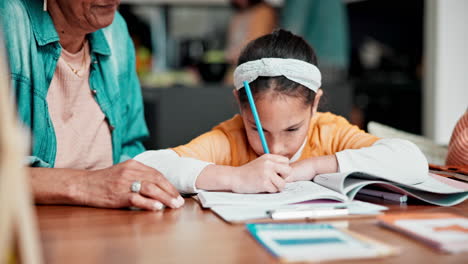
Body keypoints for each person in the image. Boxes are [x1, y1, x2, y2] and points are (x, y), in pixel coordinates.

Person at [135, 29, 428, 194]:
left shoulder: (329, 132)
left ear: (315, 105)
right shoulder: (230, 138)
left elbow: (412, 161)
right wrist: (234, 178)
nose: (275, 149)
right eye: (257, 129)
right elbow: (144, 167)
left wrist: (313, 166)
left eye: (292, 130)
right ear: (240, 103)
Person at [0, 0, 183, 210]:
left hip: (107, 226)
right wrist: (86, 185)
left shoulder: (115, 31)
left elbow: (130, 146)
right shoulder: (7, 23)